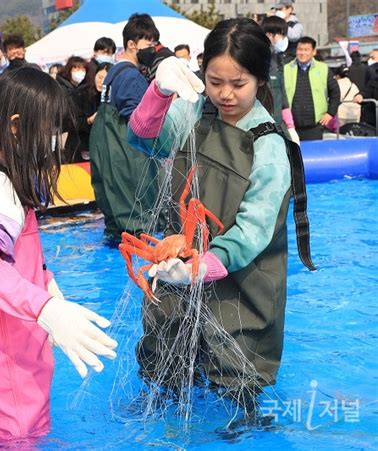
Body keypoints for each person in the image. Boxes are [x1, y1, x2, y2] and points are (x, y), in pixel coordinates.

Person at [126, 18, 315, 400]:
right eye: (215, 82)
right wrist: (159, 92)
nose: (225, 94)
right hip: (182, 262)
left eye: (238, 83)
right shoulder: (196, 113)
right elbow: (143, 137)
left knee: (236, 388)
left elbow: (253, 231)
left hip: (243, 284)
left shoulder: (269, 146)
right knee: (167, 369)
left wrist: (200, 269)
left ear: (260, 80)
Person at [0, 67, 118, 439]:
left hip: (15, 331)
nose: (58, 142)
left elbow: (24, 259)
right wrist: (47, 310)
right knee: (19, 435)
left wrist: (52, 294)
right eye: (51, 130)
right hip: (1, 345)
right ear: (16, 125)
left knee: (27, 428)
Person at [89, 13, 162, 237]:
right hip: (124, 154)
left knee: (115, 223)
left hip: (105, 149)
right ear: (131, 45)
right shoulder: (131, 76)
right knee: (138, 222)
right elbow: (138, 120)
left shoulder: (113, 73)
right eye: (148, 44)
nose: (152, 49)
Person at [283, 36, 340, 140]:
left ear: (313, 52)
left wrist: (330, 113)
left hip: (315, 126)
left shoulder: (323, 68)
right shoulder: (286, 69)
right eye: (300, 49)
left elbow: (335, 92)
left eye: (306, 50)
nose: (302, 53)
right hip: (292, 127)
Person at [261, 15, 300, 144]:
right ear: (269, 34)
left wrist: (290, 126)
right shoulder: (259, 58)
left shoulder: (277, 59)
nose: (283, 39)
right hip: (263, 126)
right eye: (281, 35)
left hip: (279, 123)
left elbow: (282, 95)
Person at [72, 62, 113, 161]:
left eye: (106, 79)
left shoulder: (114, 96)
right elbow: (73, 122)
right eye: (99, 77)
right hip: (82, 146)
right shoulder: (81, 94)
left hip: (105, 149)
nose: (102, 82)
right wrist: (90, 120)